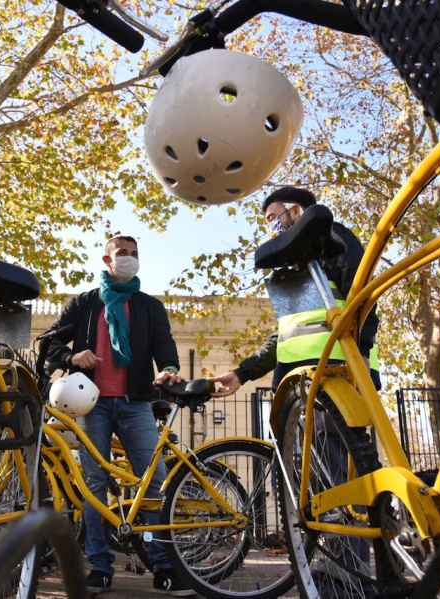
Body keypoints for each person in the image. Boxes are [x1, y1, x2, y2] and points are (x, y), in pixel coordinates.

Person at [208, 186, 380, 598]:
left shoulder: (333, 240)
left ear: (296, 211)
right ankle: (333, 571)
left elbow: (364, 299)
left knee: (339, 482)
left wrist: (356, 355)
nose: (270, 227)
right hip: (303, 385)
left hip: (338, 379)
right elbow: (286, 336)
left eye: (272, 218)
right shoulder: (293, 268)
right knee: (322, 486)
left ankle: (345, 578)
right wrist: (242, 373)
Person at [44, 235, 196, 598]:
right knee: (94, 486)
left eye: (134, 254)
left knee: (155, 485)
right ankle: (99, 567)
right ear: (107, 259)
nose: (129, 259)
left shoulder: (149, 306)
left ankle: (163, 565)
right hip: (91, 406)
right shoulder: (84, 303)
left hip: (136, 403)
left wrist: (170, 368)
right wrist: (71, 357)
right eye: (122, 254)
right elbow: (50, 341)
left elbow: (164, 345)